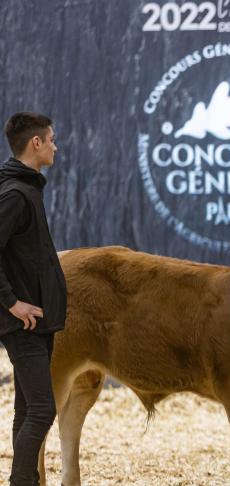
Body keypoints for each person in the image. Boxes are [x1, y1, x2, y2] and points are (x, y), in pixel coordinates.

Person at [0, 112, 67, 486]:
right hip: (22, 321)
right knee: (42, 409)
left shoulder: (25, 188)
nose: (56, 146)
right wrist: (12, 302)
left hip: (36, 321)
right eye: (52, 139)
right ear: (36, 143)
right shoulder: (15, 194)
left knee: (27, 407)